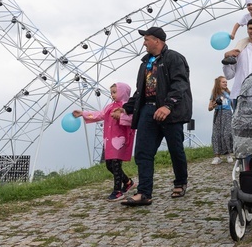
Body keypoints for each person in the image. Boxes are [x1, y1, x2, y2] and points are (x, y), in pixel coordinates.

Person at [120, 27, 192, 206]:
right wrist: (125, 109)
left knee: (175, 149)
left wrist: (168, 105)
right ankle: (144, 193)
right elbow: (141, 91)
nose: (144, 43)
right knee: (143, 152)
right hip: (147, 110)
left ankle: (180, 182)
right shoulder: (145, 63)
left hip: (170, 111)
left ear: (157, 41)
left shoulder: (174, 58)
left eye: (146, 39)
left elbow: (180, 83)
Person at [73, 83, 136, 201]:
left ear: (122, 92)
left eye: (115, 92)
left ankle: (117, 191)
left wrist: (120, 117)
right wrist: (83, 113)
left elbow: (132, 120)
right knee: (109, 165)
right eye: (111, 92)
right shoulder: (109, 107)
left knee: (116, 165)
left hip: (120, 140)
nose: (112, 95)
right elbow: (99, 115)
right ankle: (127, 182)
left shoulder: (127, 107)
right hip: (109, 140)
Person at [222, 18, 252, 108]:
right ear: (247, 30)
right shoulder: (239, 50)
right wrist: (226, 61)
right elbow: (229, 75)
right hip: (238, 95)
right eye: (250, 28)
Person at [208, 76, 233, 165]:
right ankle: (217, 156)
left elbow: (233, 105)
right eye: (223, 82)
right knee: (216, 134)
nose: (225, 83)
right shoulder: (214, 93)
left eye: (226, 82)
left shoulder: (229, 93)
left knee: (227, 133)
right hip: (218, 114)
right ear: (218, 83)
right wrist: (215, 104)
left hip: (228, 114)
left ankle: (228, 153)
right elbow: (209, 108)